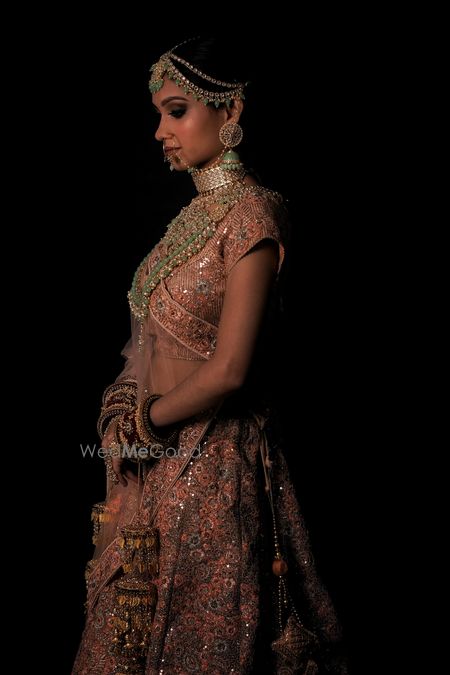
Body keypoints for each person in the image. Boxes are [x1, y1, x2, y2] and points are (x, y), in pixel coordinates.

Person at [73, 36, 347, 675]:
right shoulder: (192, 217)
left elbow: (229, 370)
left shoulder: (253, 215)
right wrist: (122, 405)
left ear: (232, 109)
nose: (160, 132)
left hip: (214, 472)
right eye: (158, 115)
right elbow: (150, 345)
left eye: (177, 111)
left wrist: (143, 421)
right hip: (154, 469)